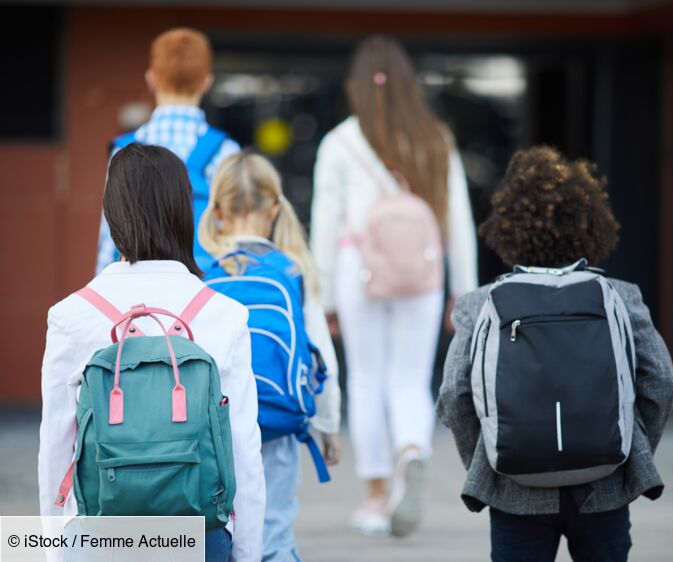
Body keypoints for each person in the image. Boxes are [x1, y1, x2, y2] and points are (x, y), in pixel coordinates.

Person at [436, 146, 673, 562]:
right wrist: (625, 448)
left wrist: (492, 458)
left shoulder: (481, 304)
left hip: (515, 489)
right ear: (592, 225)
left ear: (507, 228)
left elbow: (453, 397)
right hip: (603, 486)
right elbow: (662, 383)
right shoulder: (621, 296)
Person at [39, 144, 266, 562]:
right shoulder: (224, 314)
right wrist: (247, 552)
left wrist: (54, 551)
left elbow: (55, 446)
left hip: (98, 534)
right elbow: (244, 450)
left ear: (112, 215)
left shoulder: (70, 316)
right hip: (200, 535)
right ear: (185, 212)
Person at [310, 35, 478, 537]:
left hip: (357, 269)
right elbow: (459, 222)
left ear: (357, 85)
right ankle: (412, 450)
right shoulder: (435, 139)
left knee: (365, 378)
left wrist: (325, 299)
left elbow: (324, 224)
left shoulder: (339, 142)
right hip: (421, 275)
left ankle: (377, 498)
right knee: (409, 377)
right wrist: (463, 293)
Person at [199, 151, 342, 561]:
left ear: (219, 211)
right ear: (275, 210)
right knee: (274, 529)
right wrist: (328, 425)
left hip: (217, 424)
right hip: (278, 421)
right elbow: (321, 356)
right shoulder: (293, 270)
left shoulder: (204, 271)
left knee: (221, 525)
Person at [96, 27, 240, 273]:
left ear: (151, 79)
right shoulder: (226, 151)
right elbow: (235, 237)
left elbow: (108, 241)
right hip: (204, 293)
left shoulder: (124, 152)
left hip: (138, 298)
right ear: (206, 83)